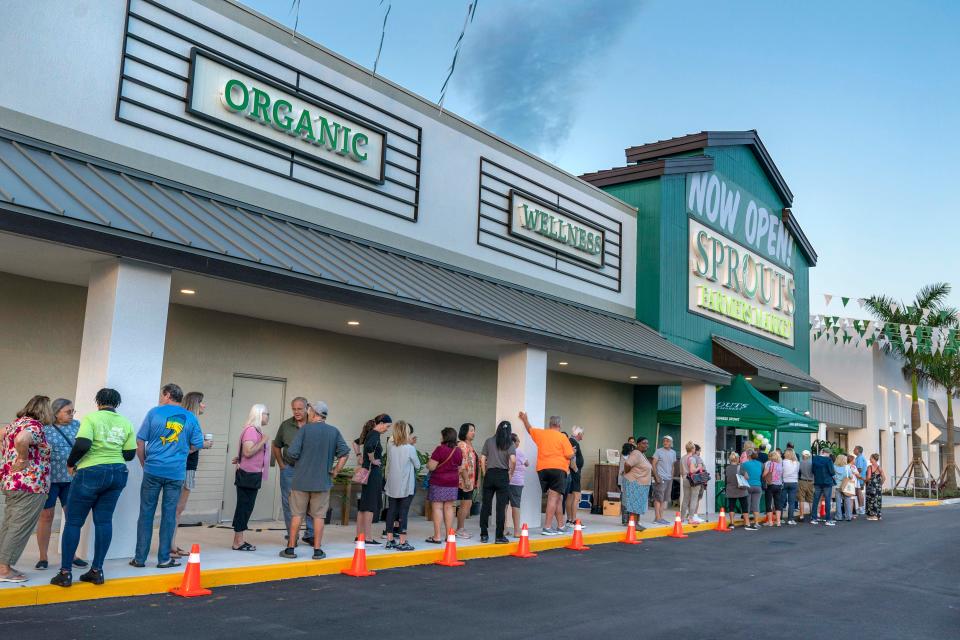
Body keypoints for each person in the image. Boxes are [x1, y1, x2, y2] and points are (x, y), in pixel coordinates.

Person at [49, 389, 135, 588]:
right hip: (117, 473)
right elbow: (129, 454)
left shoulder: (91, 419)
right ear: (117, 404)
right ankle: (97, 571)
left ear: (98, 401)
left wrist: (71, 463)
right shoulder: (125, 422)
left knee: (73, 522)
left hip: (91, 473)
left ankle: (65, 574)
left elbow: (82, 445)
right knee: (104, 521)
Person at [132, 383, 203, 568]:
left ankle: (140, 558)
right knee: (169, 515)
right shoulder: (191, 418)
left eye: (162, 395)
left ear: (168, 395)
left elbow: (140, 441)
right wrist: (182, 452)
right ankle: (164, 559)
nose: (161, 398)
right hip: (175, 473)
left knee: (146, 513)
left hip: (152, 470)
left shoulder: (154, 413)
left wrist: (144, 462)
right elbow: (198, 443)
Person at [279, 400, 349, 560]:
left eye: (309, 410)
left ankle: (290, 549)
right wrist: (336, 471)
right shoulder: (334, 432)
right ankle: (317, 550)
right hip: (322, 481)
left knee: (296, 515)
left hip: (301, 480)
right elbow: (344, 453)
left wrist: (302, 462)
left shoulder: (304, 430)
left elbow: (291, 453)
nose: (307, 412)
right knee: (318, 516)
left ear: (314, 413)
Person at [0, 396, 52, 583]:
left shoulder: (15, 424)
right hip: (29, 485)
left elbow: (2, 434)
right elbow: (23, 439)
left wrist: (9, 458)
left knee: (10, 525)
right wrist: (22, 459)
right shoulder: (34, 426)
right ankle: (4, 569)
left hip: (11, 483)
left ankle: (2, 564)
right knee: (19, 527)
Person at [35, 398, 86, 570]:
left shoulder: (77, 425)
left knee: (72, 517)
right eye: (68, 411)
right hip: (49, 480)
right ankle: (43, 557)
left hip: (71, 480)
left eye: (73, 411)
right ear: (56, 413)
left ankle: (71, 555)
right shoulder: (44, 428)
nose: (72, 414)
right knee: (46, 517)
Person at [517, 412, 574, 535]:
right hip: (557, 469)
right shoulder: (562, 437)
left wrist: (525, 419)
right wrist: (572, 453)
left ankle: (561, 525)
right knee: (553, 498)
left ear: (550, 424)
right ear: (560, 424)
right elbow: (569, 454)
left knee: (557, 497)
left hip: (542, 469)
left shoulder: (541, 434)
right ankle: (547, 527)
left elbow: (529, 429)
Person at [171, 391, 211, 558]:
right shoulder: (190, 421)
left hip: (187, 468)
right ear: (195, 404)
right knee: (177, 509)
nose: (204, 405)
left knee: (178, 509)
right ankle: (170, 546)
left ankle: (171, 544)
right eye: (202, 402)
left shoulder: (186, 421)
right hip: (185, 468)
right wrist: (203, 444)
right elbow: (184, 449)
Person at [230, 404, 270, 552]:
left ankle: (239, 540)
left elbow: (246, 453)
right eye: (267, 414)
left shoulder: (256, 431)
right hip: (248, 475)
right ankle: (237, 542)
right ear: (259, 414)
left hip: (252, 474)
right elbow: (248, 452)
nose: (268, 417)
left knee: (246, 507)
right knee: (244, 507)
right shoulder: (251, 431)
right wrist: (263, 441)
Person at [272, 397, 311, 545]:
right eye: (294, 409)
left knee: (310, 503)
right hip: (289, 470)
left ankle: (311, 534)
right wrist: (281, 465)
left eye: (300, 409)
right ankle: (292, 536)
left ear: (307, 408)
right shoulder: (286, 425)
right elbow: (276, 446)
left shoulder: (313, 424)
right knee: (289, 503)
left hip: (309, 471)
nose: (296, 412)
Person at [383, 420, 420, 551]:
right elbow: (418, 465)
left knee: (391, 510)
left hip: (392, 484)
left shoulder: (391, 447)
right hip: (406, 485)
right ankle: (403, 542)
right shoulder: (410, 449)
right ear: (406, 432)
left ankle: (389, 540)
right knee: (403, 512)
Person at [356, 413, 391, 544]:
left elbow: (356, 442)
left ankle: (359, 535)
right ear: (381, 423)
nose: (387, 429)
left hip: (366, 470)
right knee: (370, 505)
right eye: (387, 426)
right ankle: (368, 537)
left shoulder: (370, 433)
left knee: (364, 505)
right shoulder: (375, 434)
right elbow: (370, 447)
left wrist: (360, 455)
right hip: (372, 473)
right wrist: (372, 459)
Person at [479, 420, 516, 544]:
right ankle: (499, 536)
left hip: (490, 474)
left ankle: (484, 534)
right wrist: (511, 473)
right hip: (502, 475)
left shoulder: (489, 441)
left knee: (486, 505)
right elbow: (513, 460)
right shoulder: (509, 443)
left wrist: (485, 472)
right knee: (501, 507)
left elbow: (483, 458)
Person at [425, 427, 463, 544]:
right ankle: (449, 535)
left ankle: (437, 536)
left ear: (444, 436)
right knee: (449, 508)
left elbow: (431, 466)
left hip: (439, 482)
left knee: (437, 508)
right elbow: (460, 466)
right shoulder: (458, 451)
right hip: (452, 483)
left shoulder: (440, 449)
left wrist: (428, 462)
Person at [621, 436, 652, 528]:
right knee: (634, 505)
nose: (646, 445)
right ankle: (633, 524)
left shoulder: (641, 454)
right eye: (644, 443)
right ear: (638, 444)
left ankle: (636, 523)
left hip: (641, 484)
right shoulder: (636, 453)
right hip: (635, 483)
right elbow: (627, 464)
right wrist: (627, 472)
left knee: (639, 505)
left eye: (647, 443)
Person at [455, 422, 478, 539]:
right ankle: (459, 529)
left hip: (470, 480)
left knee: (467, 505)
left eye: (474, 430)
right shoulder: (462, 445)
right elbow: (462, 464)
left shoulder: (469, 446)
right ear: (464, 432)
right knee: (465, 505)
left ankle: (461, 528)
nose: (473, 433)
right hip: (464, 481)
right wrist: (467, 480)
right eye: (471, 430)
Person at [651, 435, 677, 525]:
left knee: (664, 499)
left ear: (671, 443)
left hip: (669, 478)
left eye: (667, 441)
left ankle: (660, 518)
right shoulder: (658, 451)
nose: (665, 442)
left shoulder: (673, 453)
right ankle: (657, 518)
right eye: (664, 441)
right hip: (660, 478)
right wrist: (656, 476)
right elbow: (653, 464)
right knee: (658, 498)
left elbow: (673, 466)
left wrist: (672, 477)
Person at [507, 433, 528, 537]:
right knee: (515, 506)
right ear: (513, 442)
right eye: (517, 441)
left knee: (504, 506)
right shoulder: (518, 451)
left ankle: (504, 529)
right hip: (516, 482)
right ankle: (516, 531)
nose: (519, 442)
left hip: (506, 481)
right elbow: (527, 463)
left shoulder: (504, 451)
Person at [564, 426, 585, 527]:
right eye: (582, 434)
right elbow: (572, 456)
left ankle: (569, 520)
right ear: (578, 434)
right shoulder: (574, 442)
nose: (583, 436)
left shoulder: (570, 441)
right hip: (574, 473)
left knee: (570, 496)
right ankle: (573, 520)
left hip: (571, 473)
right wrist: (576, 469)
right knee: (576, 497)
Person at [680, 441, 705, 525]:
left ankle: (682, 518)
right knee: (694, 499)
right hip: (693, 480)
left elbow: (681, 471)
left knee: (685, 498)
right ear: (693, 449)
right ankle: (691, 518)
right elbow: (692, 470)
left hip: (685, 479)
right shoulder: (692, 458)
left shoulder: (682, 458)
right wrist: (699, 467)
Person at [811, 448, 837, 526]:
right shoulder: (828, 460)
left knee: (816, 500)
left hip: (818, 481)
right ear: (827, 453)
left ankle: (814, 518)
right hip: (827, 482)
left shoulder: (815, 459)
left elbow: (813, 470)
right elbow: (832, 472)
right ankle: (828, 519)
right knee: (827, 500)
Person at [724, 452, 749, 529]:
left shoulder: (727, 468)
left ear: (730, 459)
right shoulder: (741, 467)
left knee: (731, 507)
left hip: (731, 490)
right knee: (744, 506)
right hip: (741, 490)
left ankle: (732, 523)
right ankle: (747, 523)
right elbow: (747, 477)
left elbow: (726, 479)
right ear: (738, 459)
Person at [740, 448, 763, 530]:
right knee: (756, 505)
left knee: (747, 505)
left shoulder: (744, 464)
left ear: (748, 455)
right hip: (758, 486)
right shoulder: (760, 464)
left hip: (748, 486)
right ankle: (756, 523)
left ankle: (747, 523)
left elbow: (740, 474)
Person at [762, 450, 784, 527]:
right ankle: (778, 522)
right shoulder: (780, 464)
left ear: (770, 456)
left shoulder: (768, 463)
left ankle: (770, 521)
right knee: (777, 504)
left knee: (768, 503)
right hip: (779, 485)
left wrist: (763, 476)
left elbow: (765, 474)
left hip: (770, 485)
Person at [834, 454, 855, 522]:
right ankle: (848, 516)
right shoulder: (847, 467)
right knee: (847, 501)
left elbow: (833, 476)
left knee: (838, 502)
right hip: (846, 486)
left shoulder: (834, 467)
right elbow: (851, 476)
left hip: (837, 486)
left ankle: (838, 516)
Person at [781, 449, 800, 525]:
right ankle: (790, 519)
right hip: (794, 482)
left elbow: (781, 472)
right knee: (791, 502)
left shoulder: (782, 462)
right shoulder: (797, 463)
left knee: (781, 501)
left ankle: (780, 518)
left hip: (784, 482)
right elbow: (797, 472)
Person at [865, 453, 885, 521]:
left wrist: (864, 481)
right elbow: (884, 478)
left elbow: (868, 477)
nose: (869, 459)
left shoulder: (870, 467)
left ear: (873, 459)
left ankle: (873, 516)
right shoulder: (879, 467)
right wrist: (879, 485)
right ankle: (878, 515)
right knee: (877, 500)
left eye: (870, 458)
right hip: (878, 487)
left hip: (871, 486)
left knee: (871, 500)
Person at [618, 441, 634, 525]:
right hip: (625, 481)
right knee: (625, 500)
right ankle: (625, 520)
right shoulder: (625, 458)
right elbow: (623, 471)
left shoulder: (626, 457)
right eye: (632, 449)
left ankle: (627, 519)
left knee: (627, 500)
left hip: (627, 480)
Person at [797, 450, 814, 522]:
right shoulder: (812, 463)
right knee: (811, 499)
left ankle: (801, 516)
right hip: (811, 482)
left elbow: (798, 472)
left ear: (802, 456)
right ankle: (813, 516)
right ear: (809, 456)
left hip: (802, 481)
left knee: (801, 499)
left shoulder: (799, 463)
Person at [853, 446, 868, 515]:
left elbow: (859, 469)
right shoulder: (859, 458)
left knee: (859, 493)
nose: (853, 450)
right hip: (860, 478)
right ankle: (861, 508)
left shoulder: (859, 458)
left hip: (859, 478)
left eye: (854, 449)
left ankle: (861, 508)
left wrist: (853, 472)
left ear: (858, 450)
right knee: (859, 493)